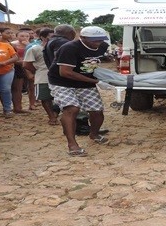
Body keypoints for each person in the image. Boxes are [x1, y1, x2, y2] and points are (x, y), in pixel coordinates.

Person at [48, 26, 111, 157]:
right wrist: (96, 82)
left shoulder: (103, 46)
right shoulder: (69, 48)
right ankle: (72, 145)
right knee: (71, 108)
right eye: (94, 40)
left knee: (97, 110)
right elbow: (65, 72)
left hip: (85, 81)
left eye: (100, 40)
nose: (98, 43)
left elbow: (94, 62)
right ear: (82, 38)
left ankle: (94, 133)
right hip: (62, 82)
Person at [24, 28, 58, 124]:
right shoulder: (35, 49)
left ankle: (55, 113)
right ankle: (51, 116)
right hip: (43, 76)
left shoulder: (60, 48)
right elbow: (26, 64)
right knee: (45, 98)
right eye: (51, 37)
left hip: (58, 77)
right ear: (42, 37)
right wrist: (35, 71)